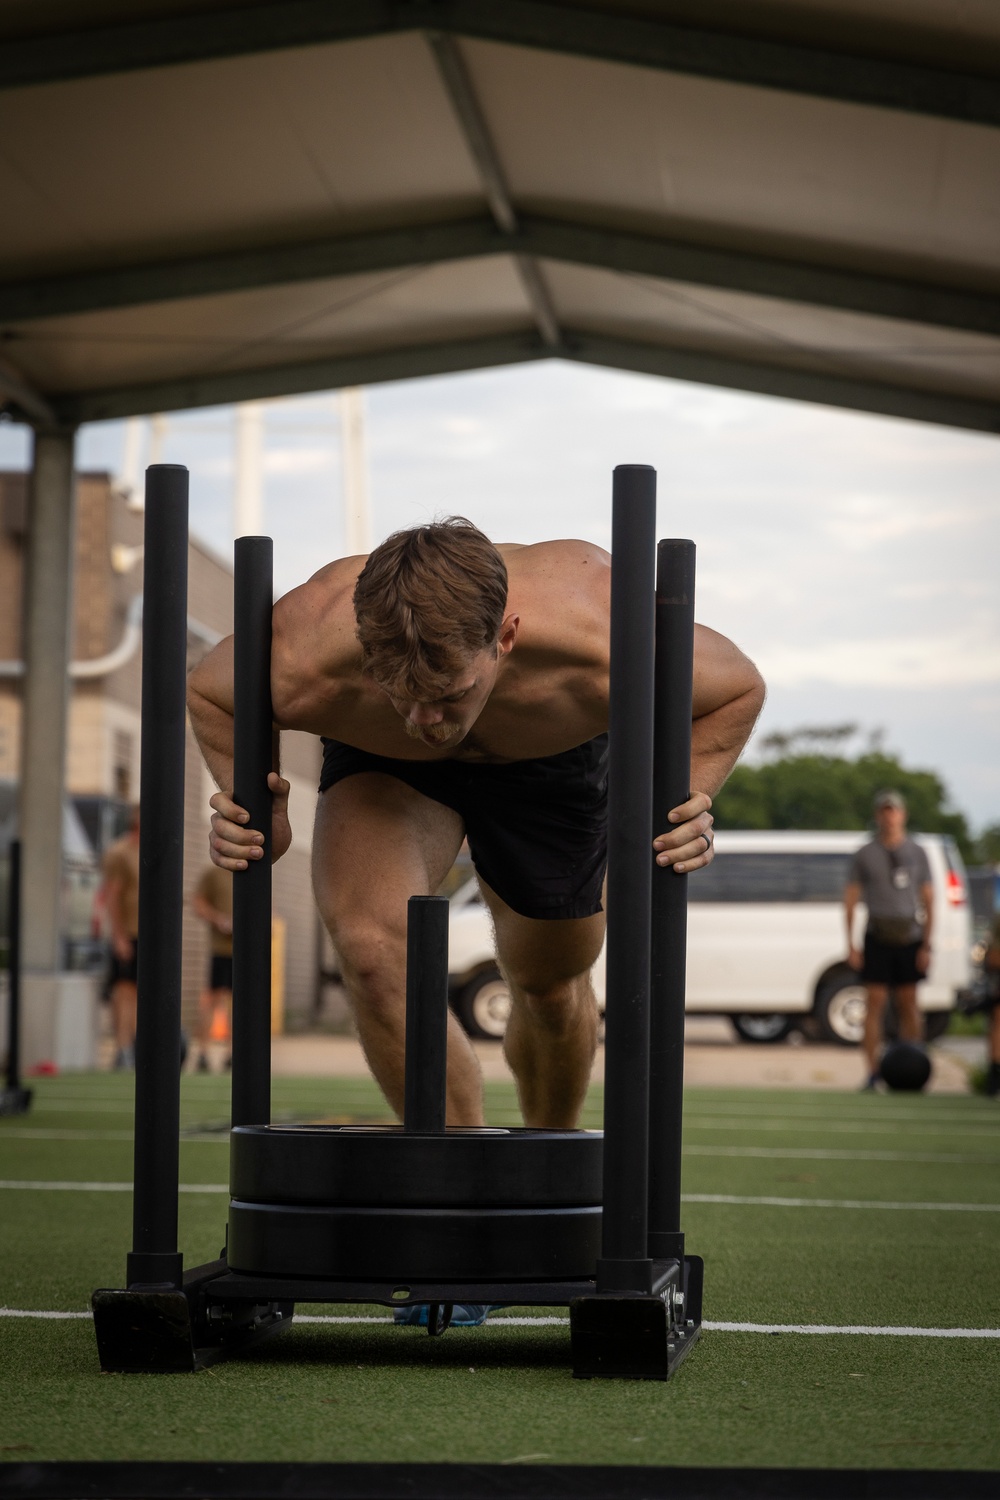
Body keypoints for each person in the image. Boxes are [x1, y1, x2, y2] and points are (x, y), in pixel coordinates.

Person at [188, 518, 765, 1132]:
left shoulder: (599, 628)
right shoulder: (308, 649)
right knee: (371, 952)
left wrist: (684, 798)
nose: (426, 718)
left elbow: (736, 688)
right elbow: (210, 691)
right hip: (387, 769)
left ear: (506, 637)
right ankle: (455, 1172)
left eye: (448, 692)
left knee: (548, 986)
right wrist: (255, 796)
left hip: (552, 761)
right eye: (402, 692)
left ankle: (551, 1154)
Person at [844, 790, 933, 1091]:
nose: (889, 816)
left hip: (909, 935)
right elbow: (851, 898)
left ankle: (913, 1069)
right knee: (875, 1003)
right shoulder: (866, 853)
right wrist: (851, 943)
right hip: (877, 934)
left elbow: (929, 900)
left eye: (894, 811)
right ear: (878, 815)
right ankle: (872, 1072)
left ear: (902, 815)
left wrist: (926, 944)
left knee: (909, 1003)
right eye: (884, 811)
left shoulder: (917, 852)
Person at [101, 806, 141, 1070]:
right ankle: (123, 1048)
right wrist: (119, 936)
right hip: (128, 932)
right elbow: (112, 895)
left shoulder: (149, 850)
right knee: (125, 992)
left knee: (139, 993)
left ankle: (135, 1046)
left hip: (149, 934)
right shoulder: (120, 852)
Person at [190, 864, 234, 1073]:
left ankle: (233, 1053)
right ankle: (204, 1052)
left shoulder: (255, 867)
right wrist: (220, 920)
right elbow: (197, 903)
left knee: (242, 1004)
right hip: (222, 949)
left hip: (248, 951)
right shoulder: (214, 873)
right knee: (214, 999)